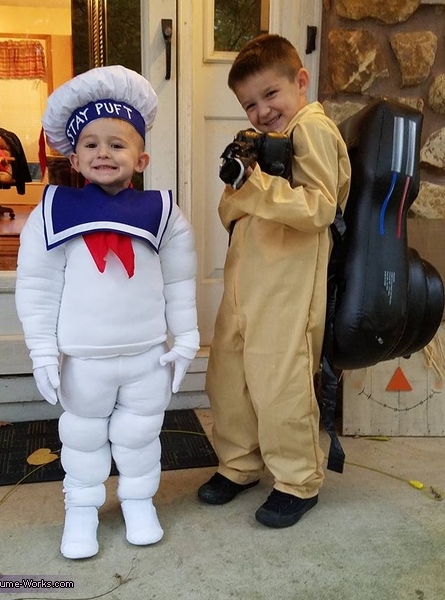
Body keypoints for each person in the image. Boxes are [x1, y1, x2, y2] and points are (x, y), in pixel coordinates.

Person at [16, 65, 199, 559]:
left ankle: (139, 501)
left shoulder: (163, 213)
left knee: (141, 434)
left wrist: (185, 338)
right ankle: (81, 509)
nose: (103, 153)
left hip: (145, 355)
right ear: (73, 157)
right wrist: (41, 350)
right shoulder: (53, 211)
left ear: (140, 158)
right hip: (83, 359)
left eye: (117, 145)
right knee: (82, 434)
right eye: (91, 144)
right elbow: (36, 285)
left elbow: (180, 282)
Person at [198, 34, 351, 527]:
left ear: (300, 81)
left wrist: (255, 186)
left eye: (271, 95)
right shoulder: (261, 146)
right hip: (245, 281)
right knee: (229, 376)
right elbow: (228, 211)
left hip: (289, 286)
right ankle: (239, 464)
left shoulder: (313, 128)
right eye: (249, 104)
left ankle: (297, 479)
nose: (262, 111)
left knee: (280, 381)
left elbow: (319, 207)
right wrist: (244, 182)